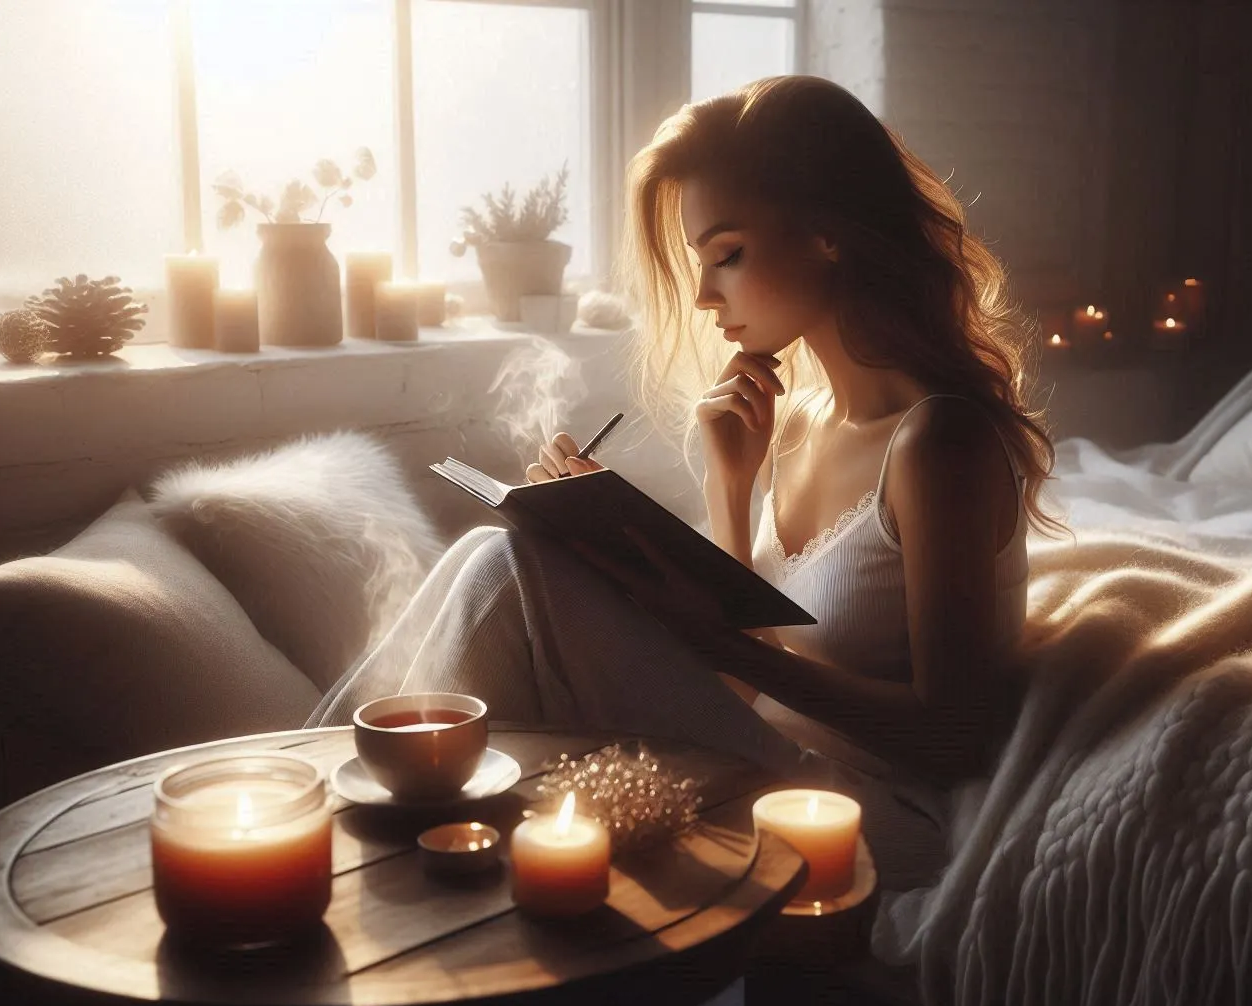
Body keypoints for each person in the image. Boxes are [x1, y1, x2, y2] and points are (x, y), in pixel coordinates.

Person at [311, 75, 1058, 893]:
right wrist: (725, 489)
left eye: (727, 257)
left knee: (505, 569)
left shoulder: (939, 440)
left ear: (829, 234)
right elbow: (746, 672)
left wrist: (713, 640)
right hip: (761, 756)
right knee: (497, 549)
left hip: (872, 821)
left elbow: (956, 738)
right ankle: (352, 815)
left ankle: (347, 838)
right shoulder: (797, 421)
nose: (705, 297)